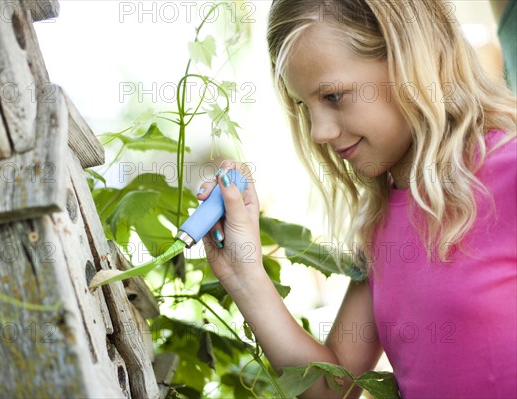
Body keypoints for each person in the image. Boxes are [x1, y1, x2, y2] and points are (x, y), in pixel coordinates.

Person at [195, 1, 517, 398]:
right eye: (303, 105)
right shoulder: (383, 219)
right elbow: (332, 390)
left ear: (410, 59)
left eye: (332, 96)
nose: (318, 132)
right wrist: (243, 275)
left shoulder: (508, 173)